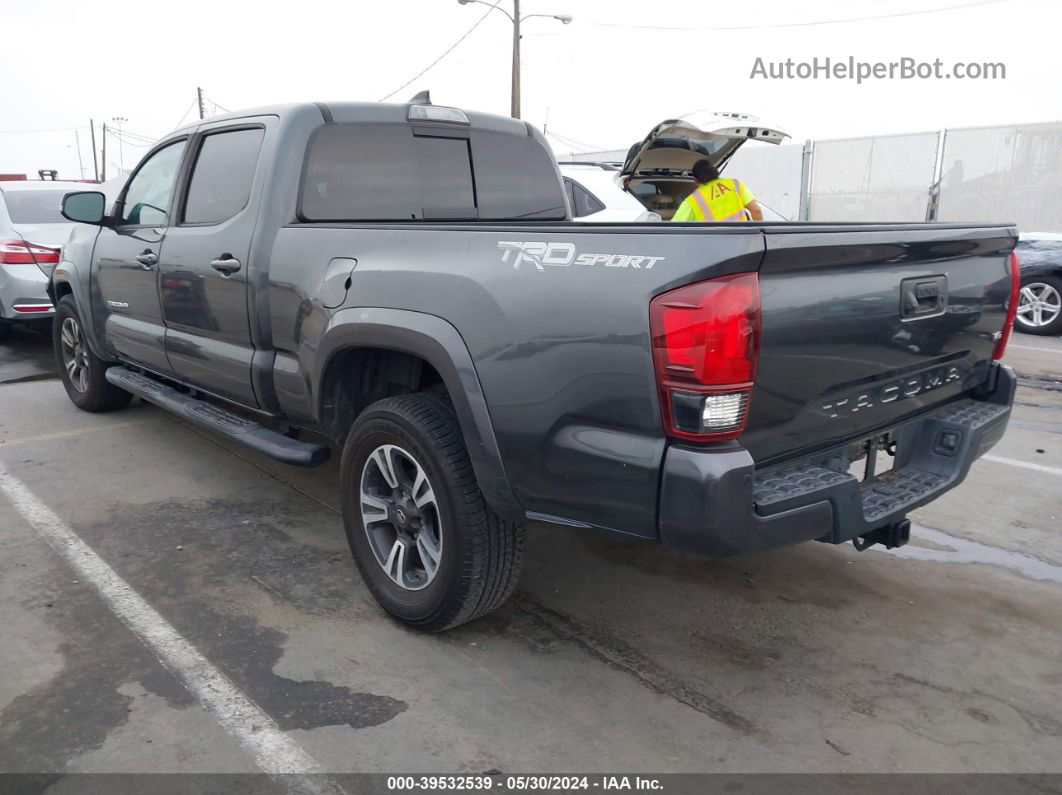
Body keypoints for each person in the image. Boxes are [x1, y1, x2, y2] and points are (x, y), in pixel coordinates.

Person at [671, 159, 763, 222]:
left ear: (695, 180)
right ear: (715, 171)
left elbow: (673, 229)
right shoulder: (734, 184)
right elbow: (756, 211)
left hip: (713, 247)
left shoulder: (692, 201)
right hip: (743, 244)